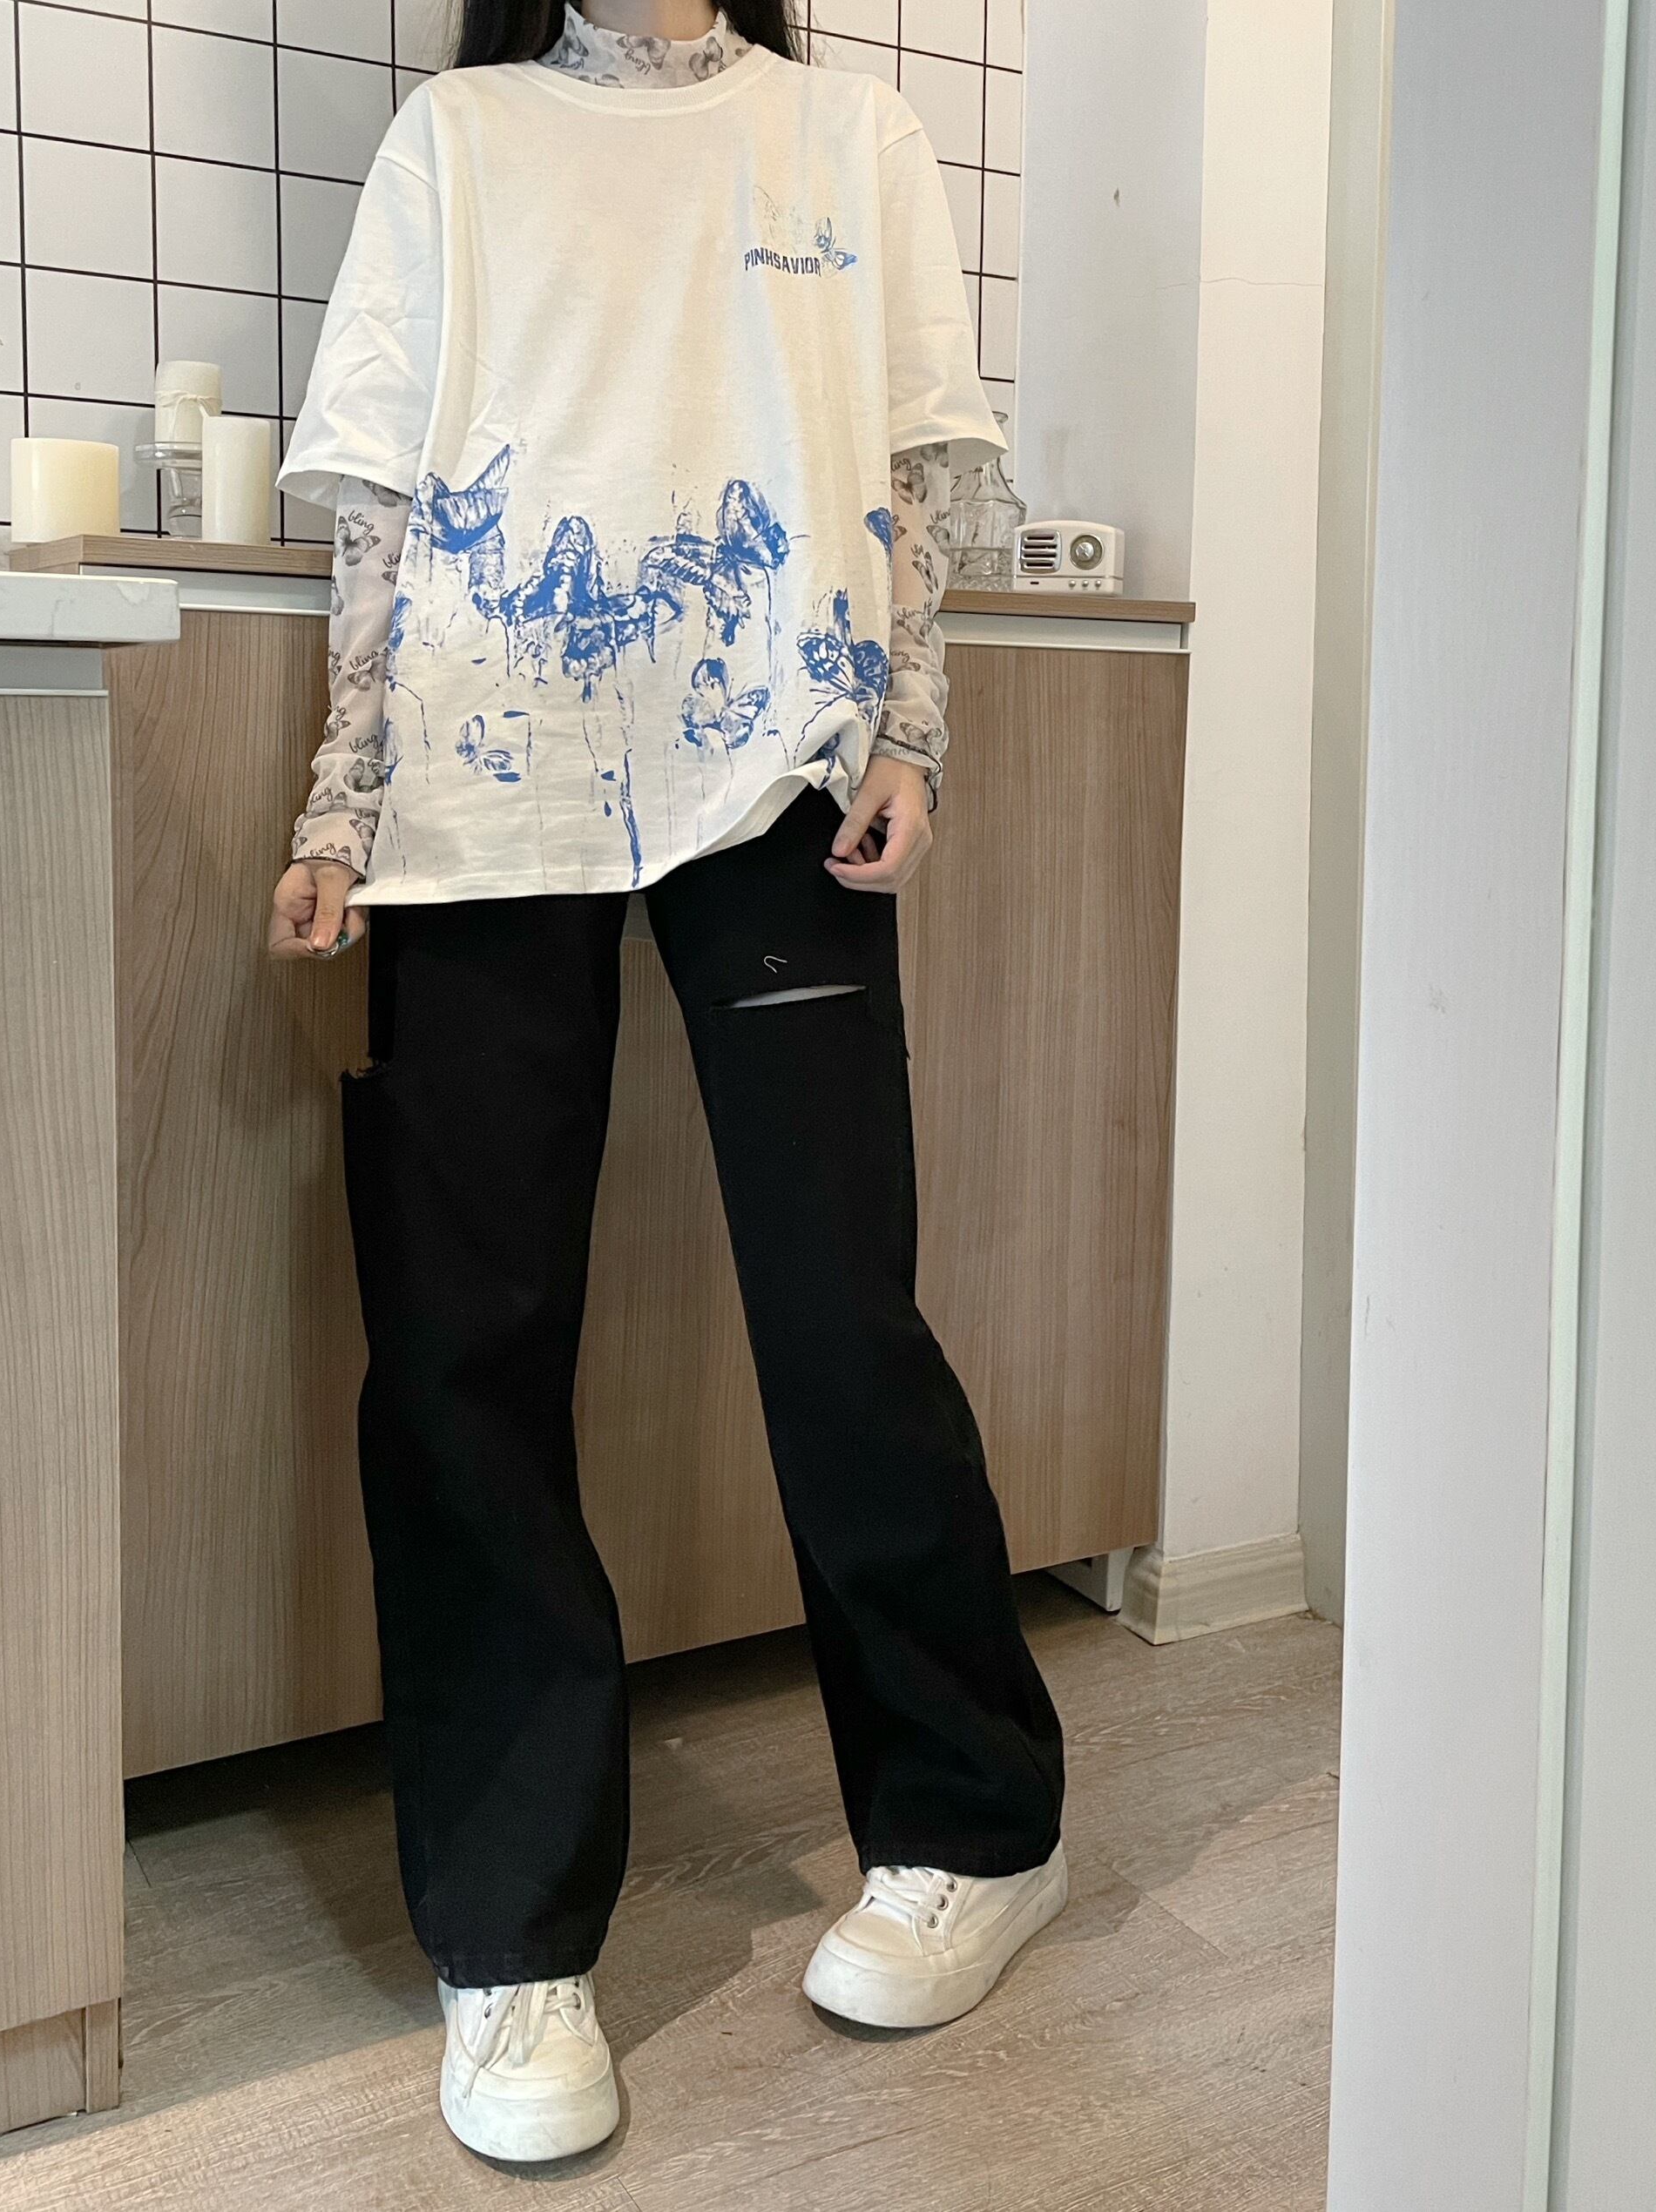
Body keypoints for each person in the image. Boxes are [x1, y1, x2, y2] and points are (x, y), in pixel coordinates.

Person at [268, 0, 1065, 2165]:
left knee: (837, 1310)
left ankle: (974, 1822)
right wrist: (343, 795)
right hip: (484, 779)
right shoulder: (457, 138)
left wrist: (910, 734)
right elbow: (377, 501)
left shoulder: (849, 135)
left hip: (781, 770)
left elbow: (904, 471)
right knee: (466, 1340)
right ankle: (509, 1928)